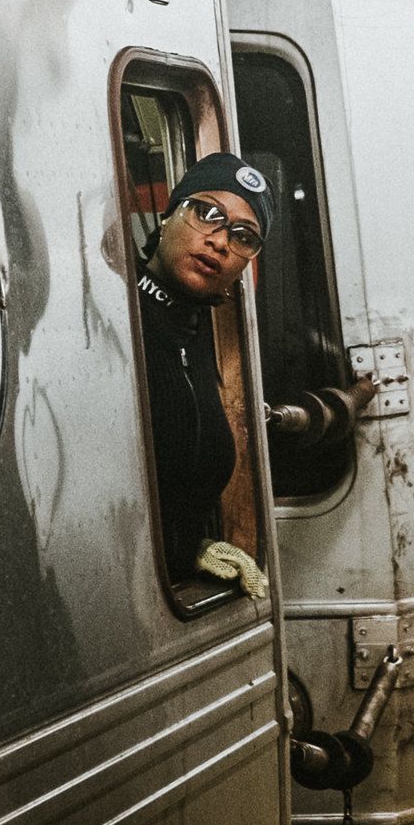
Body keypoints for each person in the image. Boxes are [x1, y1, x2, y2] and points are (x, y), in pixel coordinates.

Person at [139, 151, 274, 598]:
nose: (219, 240)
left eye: (243, 236)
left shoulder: (194, 332)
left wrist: (188, 548)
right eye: (207, 213)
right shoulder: (118, 320)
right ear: (167, 218)